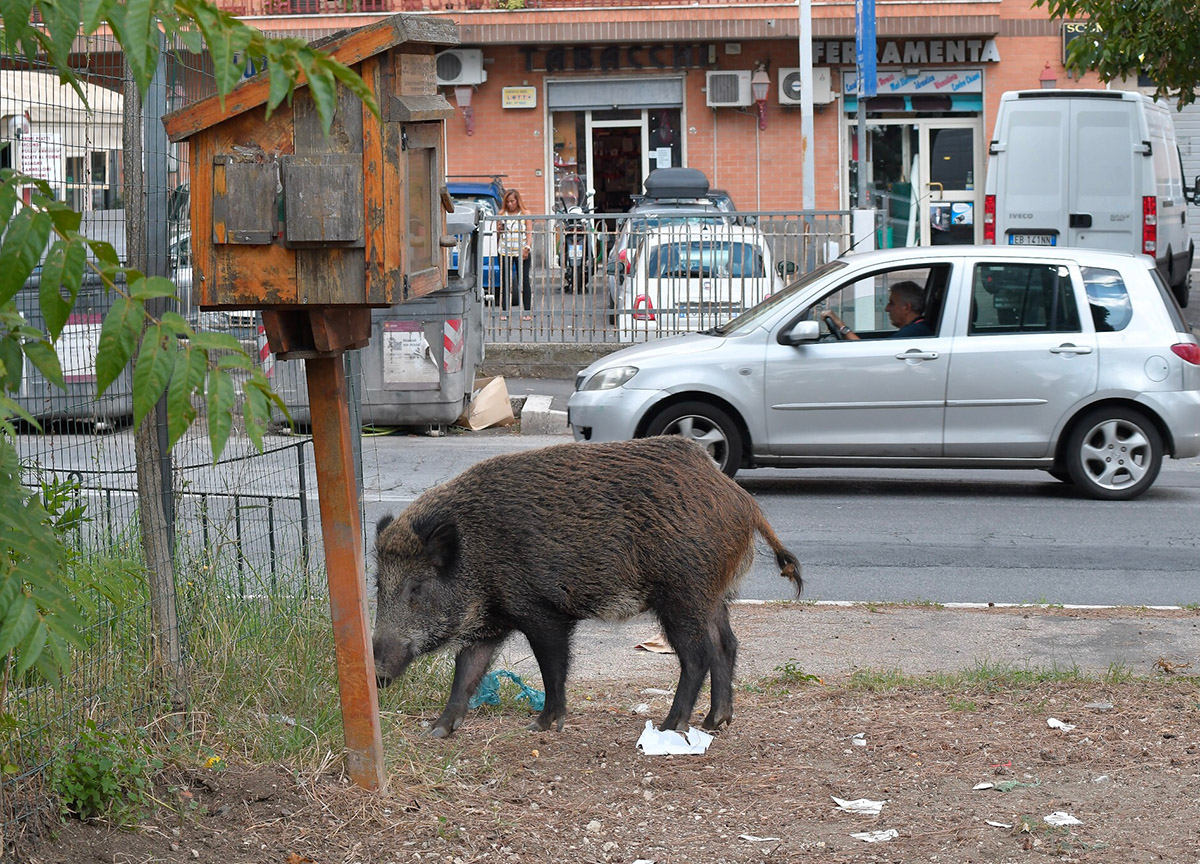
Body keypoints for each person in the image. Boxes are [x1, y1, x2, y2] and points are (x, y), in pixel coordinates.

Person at [821, 280, 933, 340]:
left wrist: (839, 324)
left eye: (892, 303)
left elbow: (865, 353)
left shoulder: (914, 332)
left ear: (907, 307)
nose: (887, 309)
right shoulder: (916, 328)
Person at [497, 188, 533, 322]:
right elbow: (498, 234)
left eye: (512, 201)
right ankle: (505, 311)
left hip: (521, 251)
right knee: (505, 281)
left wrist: (527, 248)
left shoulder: (525, 213)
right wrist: (499, 229)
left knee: (524, 281)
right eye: (508, 202)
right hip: (505, 251)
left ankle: (527, 311)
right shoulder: (501, 214)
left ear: (518, 200)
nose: (510, 204)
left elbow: (529, 233)